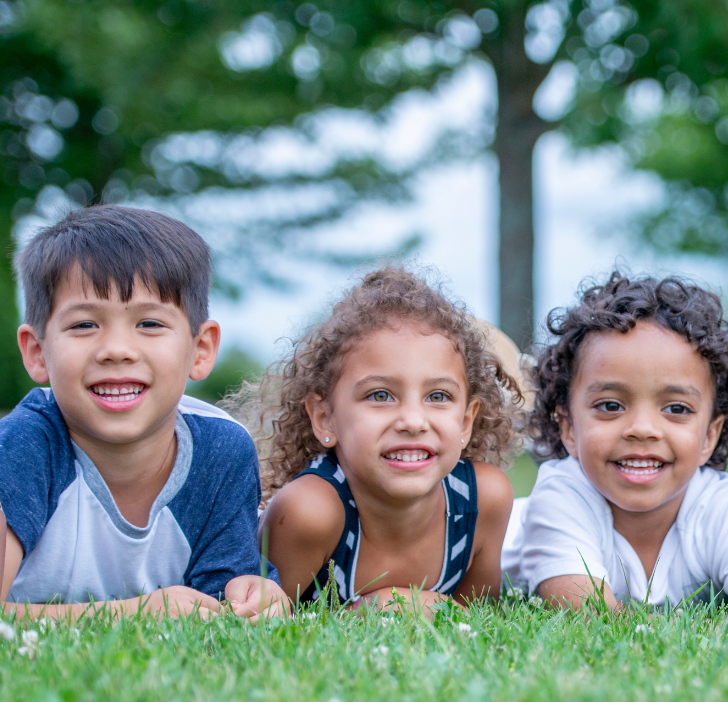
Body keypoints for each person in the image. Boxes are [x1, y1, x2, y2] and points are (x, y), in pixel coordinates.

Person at [0, 204, 289, 620]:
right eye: (84, 325)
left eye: (150, 324)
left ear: (201, 349)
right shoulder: (24, 445)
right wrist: (136, 613)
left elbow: (221, 601)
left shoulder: (220, 451)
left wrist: (253, 596)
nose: (117, 349)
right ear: (37, 352)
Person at [501, 272, 728, 613]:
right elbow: (588, 616)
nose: (643, 429)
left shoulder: (716, 504)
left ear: (710, 435)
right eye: (611, 406)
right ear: (569, 427)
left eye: (676, 409)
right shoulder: (562, 497)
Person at [256, 267, 519, 613]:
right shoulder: (308, 513)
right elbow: (260, 626)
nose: (412, 421)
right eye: (380, 395)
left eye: (438, 396)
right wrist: (369, 610)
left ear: (466, 421)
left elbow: (476, 619)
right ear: (325, 417)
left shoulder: (482, 501)